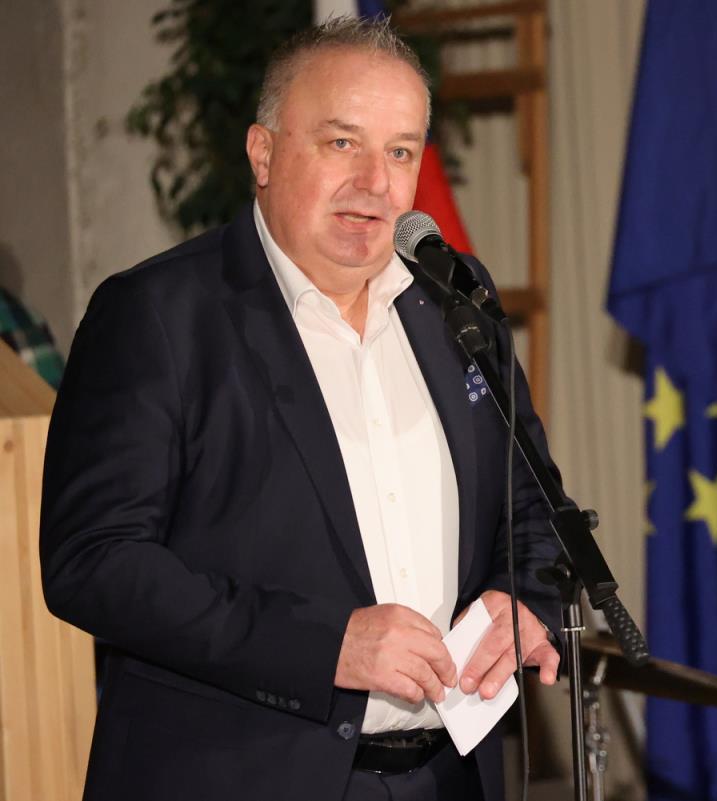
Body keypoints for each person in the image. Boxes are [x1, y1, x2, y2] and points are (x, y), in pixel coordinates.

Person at [40, 17, 562, 801]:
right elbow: (93, 562)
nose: (375, 181)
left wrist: (526, 600)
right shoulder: (158, 315)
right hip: (234, 777)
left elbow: (537, 509)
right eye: (341, 142)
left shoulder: (454, 299)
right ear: (263, 152)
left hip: (447, 778)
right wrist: (328, 646)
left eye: (400, 151)